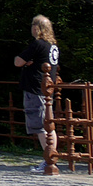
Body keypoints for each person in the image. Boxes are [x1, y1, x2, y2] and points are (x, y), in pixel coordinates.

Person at [14, 14, 60, 168]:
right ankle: (51, 156)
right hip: (47, 89)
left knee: (41, 126)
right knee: (48, 124)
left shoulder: (37, 44)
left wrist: (27, 62)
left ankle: (49, 161)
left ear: (37, 28)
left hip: (35, 88)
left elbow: (17, 62)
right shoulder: (52, 45)